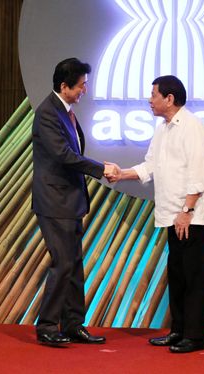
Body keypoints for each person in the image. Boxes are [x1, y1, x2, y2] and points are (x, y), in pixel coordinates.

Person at [105, 75, 204, 353]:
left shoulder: (192, 126)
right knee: (177, 274)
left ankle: (195, 336)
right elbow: (150, 165)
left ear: (169, 98)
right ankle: (178, 330)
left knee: (194, 276)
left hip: (193, 216)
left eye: (153, 94)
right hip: (173, 214)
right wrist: (122, 175)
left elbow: (198, 173)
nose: (149, 99)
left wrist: (187, 210)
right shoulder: (163, 128)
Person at [32, 57, 117, 346]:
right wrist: (101, 169)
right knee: (63, 262)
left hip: (70, 202)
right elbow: (63, 155)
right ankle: (46, 326)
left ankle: (72, 325)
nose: (85, 90)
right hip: (54, 201)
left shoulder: (65, 111)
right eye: (81, 85)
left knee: (74, 265)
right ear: (64, 86)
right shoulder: (47, 113)